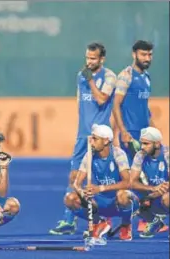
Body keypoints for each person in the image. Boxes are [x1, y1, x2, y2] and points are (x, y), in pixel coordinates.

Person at [49, 42, 117, 235]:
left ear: (102, 59)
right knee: (74, 177)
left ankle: (102, 220)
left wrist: (91, 82)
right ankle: (69, 221)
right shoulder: (81, 76)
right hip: (83, 136)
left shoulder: (110, 76)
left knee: (96, 179)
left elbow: (102, 99)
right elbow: (80, 104)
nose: (89, 61)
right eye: (87, 57)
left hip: (100, 137)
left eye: (93, 58)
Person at [113, 40, 168, 232]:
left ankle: (151, 217)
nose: (147, 58)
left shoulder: (147, 77)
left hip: (146, 136)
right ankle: (144, 220)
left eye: (150, 55)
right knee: (135, 179)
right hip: (131, 135)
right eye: (144, 54)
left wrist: (155, 132)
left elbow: (145, 108)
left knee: (149, 178)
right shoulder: (126, 76)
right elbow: (116, 104)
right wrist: (123, 131)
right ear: (134, 54)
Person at [65, 124, 138, 241]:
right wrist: (83, 192)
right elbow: (76, 184)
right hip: (100, 202)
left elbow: (127, 182)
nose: (91, 142)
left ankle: (125, 224)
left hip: (118, 201)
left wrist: (101, 188)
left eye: (95, 139)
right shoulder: (89, 156)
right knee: (70, 199)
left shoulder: (118, 154)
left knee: (123, 195)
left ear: (105, 141)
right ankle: (99, 222)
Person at [130, 127, 169, 238]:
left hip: (165, 194)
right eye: (141, 143)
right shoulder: (140, 155)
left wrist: (157, 192)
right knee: (130, 197)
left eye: (146, 144)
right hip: (153, 193)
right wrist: (151, 190)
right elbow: (132, 182)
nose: (142, 147)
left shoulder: (167, 154)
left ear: (157, 144)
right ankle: (155, 223)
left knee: (167, 198)